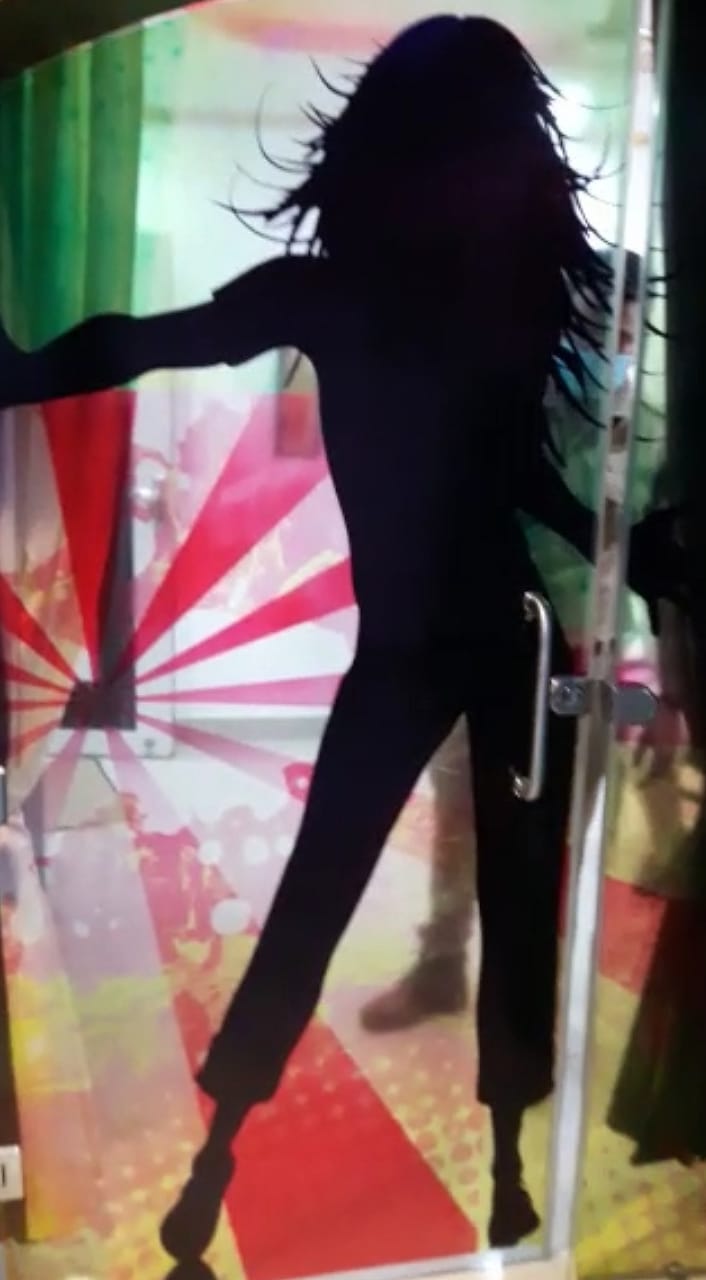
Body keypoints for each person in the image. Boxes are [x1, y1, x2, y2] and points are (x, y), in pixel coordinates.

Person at [0, 14, 684, 1259]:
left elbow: (149, 343)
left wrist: (26, 371)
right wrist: (628, 555)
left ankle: (247, 1158)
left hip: (447, 645)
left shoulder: (343, 293)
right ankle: (497, 1171)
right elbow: (524, 482)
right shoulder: (474, 302)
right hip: (496, 641)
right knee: (493, 899)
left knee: (351, 888)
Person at [359, 251, 661, 1035]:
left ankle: (526, 995)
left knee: (559, 829)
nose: (611, 334)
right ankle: (444, 969)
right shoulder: (519, 394)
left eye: (623, 320)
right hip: (497, 633)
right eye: (597, 315)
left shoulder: (641, 423)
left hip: (584, 649)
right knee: (466, 810)